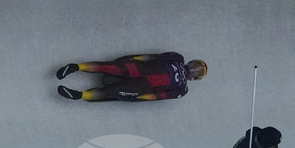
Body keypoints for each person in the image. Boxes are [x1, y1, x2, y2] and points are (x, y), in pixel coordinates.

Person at [55, 52, 207, 101]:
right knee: (111, 68)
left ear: (195, 78)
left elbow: (159, 96)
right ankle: (76, 67)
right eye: (196, 66)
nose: (194, 69)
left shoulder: (182, 89)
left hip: (142, 85)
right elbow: (153, 57)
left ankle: (79, 95)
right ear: (191, 61)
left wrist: (140, 97)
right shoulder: (177, 58)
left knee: (113, 91)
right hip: (141, 70)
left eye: (197, 71)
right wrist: (134, 59)